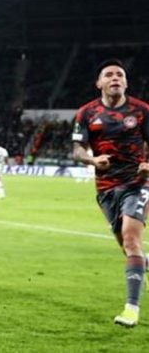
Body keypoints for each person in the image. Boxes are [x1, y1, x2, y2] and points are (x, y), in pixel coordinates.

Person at [72, 58, 148, 328]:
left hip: (138, 184)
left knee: (131, 238)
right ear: (99, 83)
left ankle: (131, 309)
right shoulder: (86, 113)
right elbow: (77, 150)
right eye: (109, 74)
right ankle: (143, 264)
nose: (115, 78)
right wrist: (92, 160)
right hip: (105, 188)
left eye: (120, 74)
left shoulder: (142, 110)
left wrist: (147, 166)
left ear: (126, 82)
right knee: (127, 246)